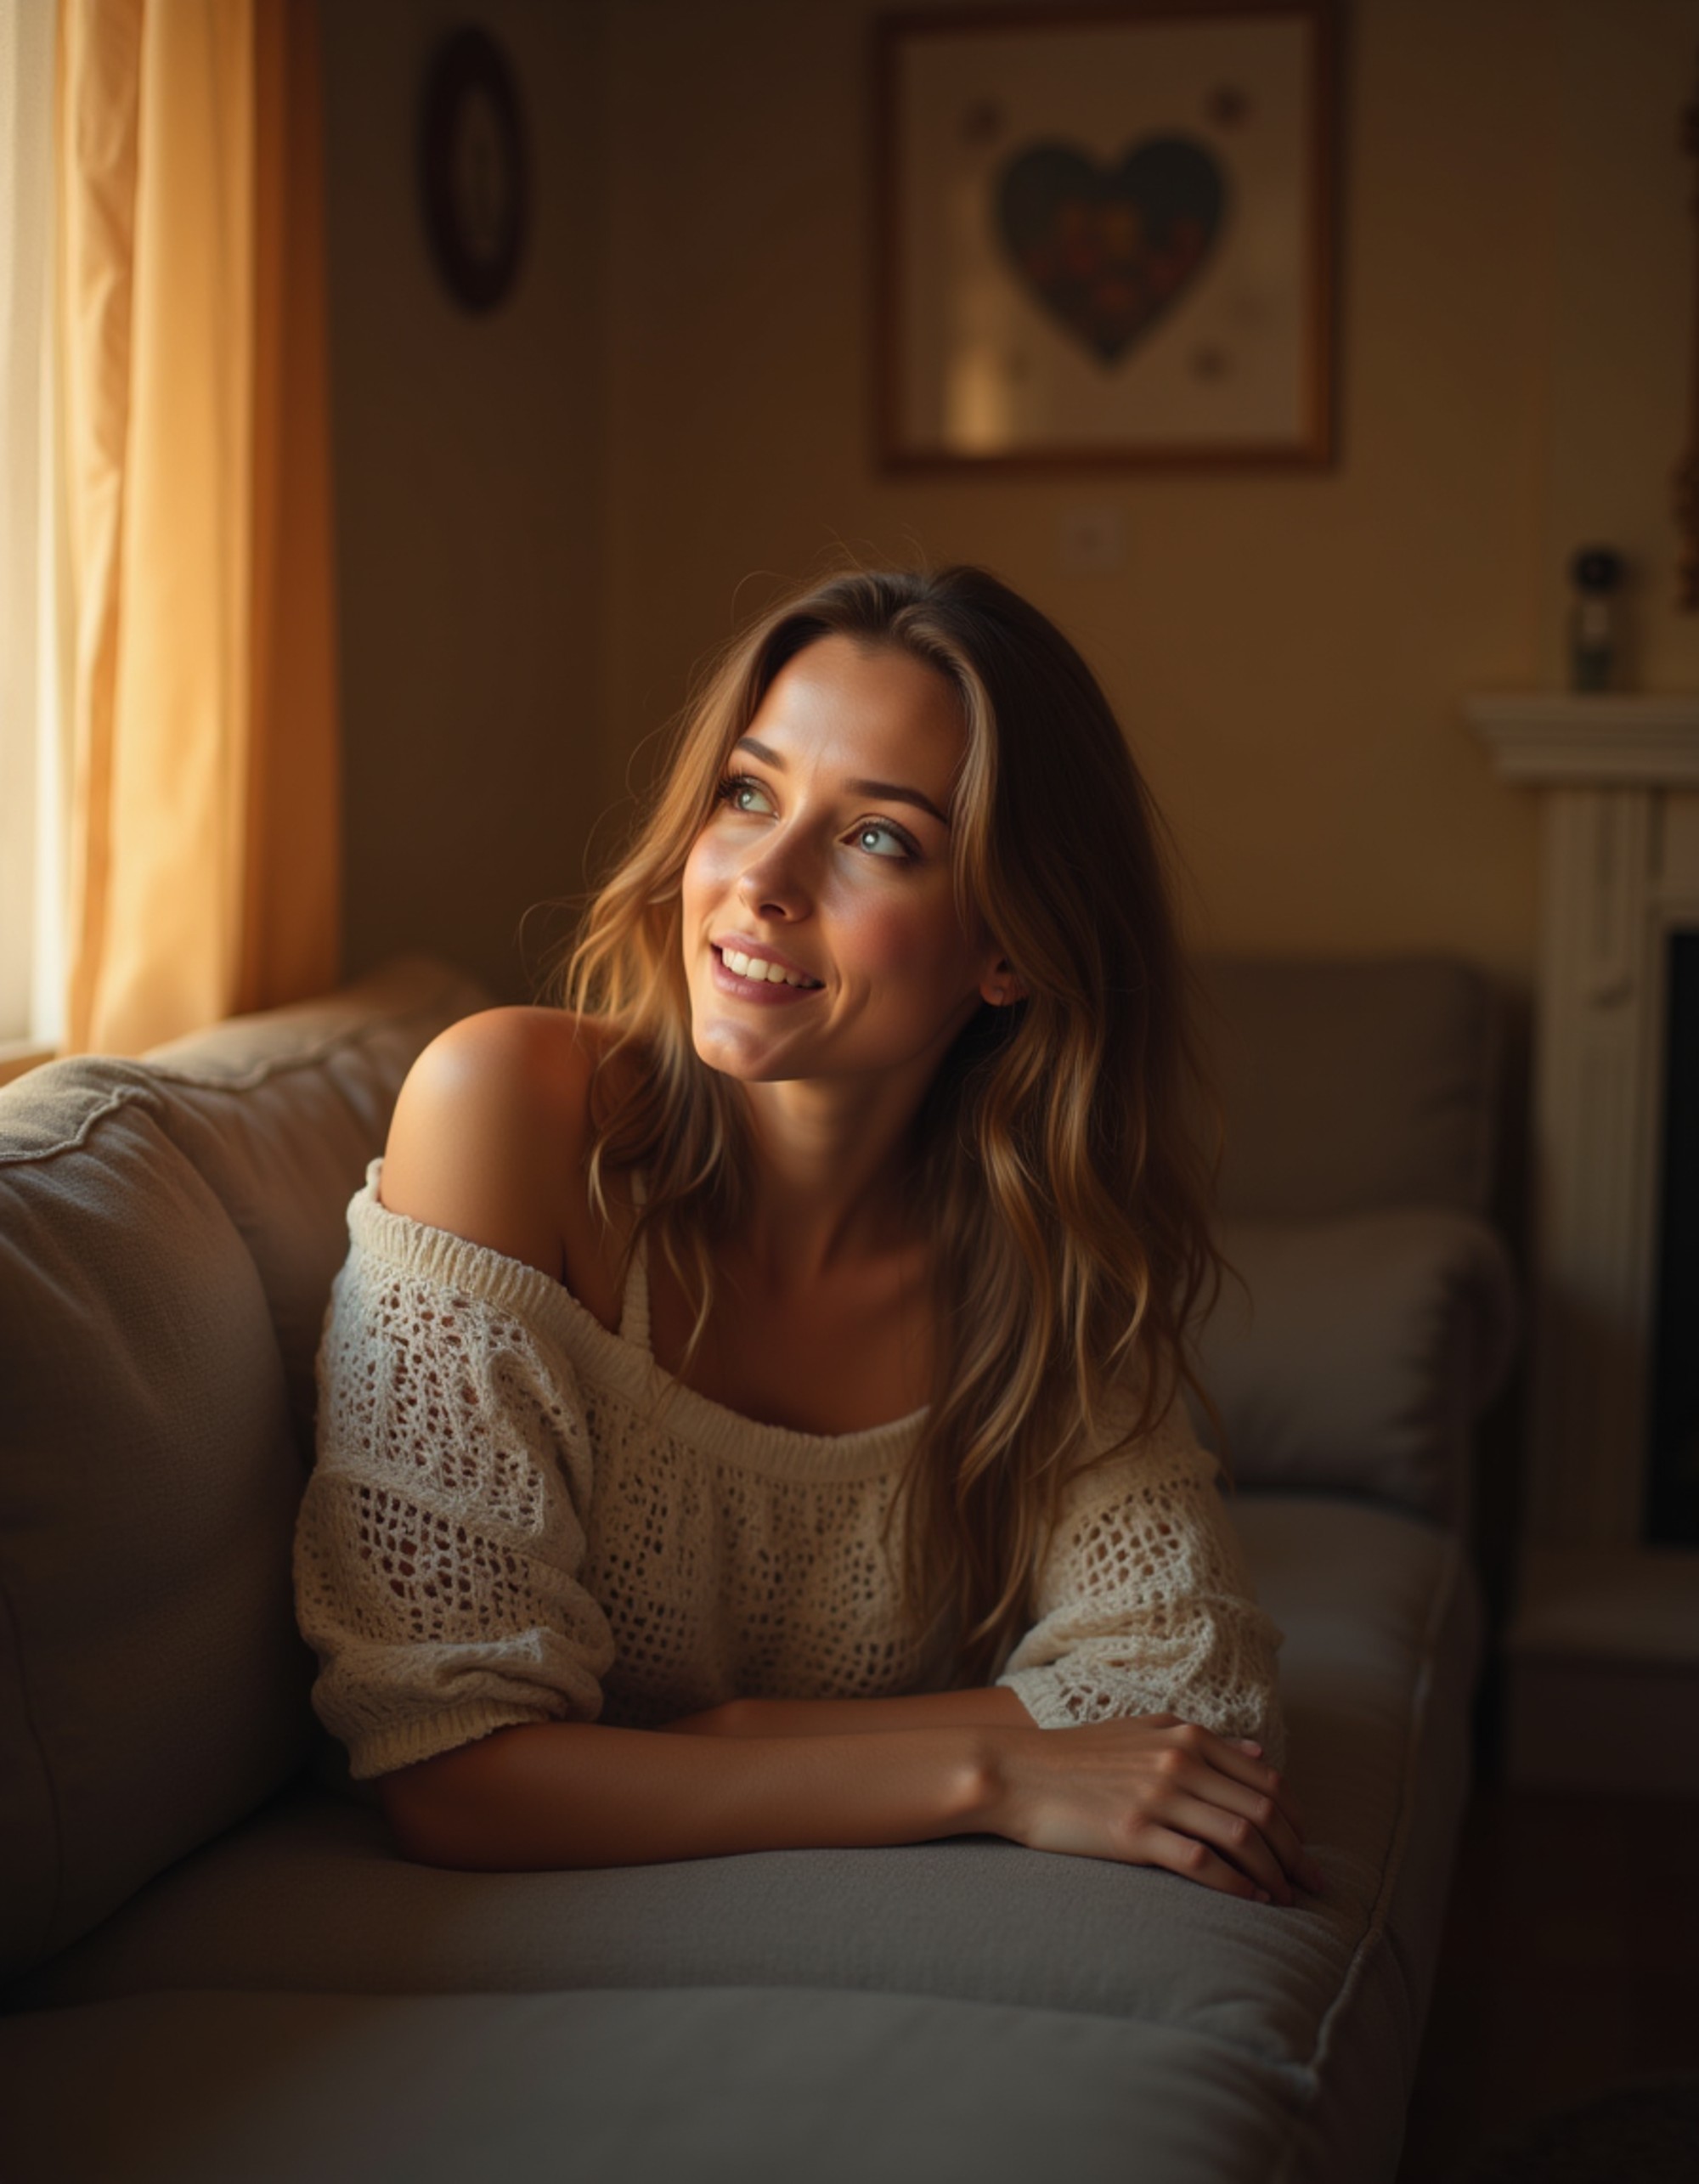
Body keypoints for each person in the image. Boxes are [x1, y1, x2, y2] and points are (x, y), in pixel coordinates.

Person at [292, 562, 1322, 1908]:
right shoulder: (508, 1115)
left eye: (877, 838)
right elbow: (449, 1767)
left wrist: (729, 1740)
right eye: (747, 793)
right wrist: (987, 1773)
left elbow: (1197, 1694)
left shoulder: (1030, 1258)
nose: (760, 881)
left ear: (1007, 947)